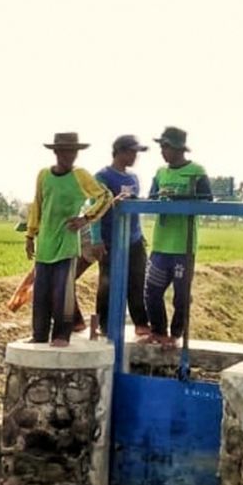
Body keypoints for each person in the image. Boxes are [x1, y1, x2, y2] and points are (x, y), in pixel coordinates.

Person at [24, 132, 112, 347]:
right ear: (56, 152)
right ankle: (39, 334)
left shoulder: (80, 176)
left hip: (67, 242)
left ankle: (62, 335)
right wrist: (30, 234)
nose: (69, 156)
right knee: (41, 293)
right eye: (64, 151)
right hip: (45, 242)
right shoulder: (44, 175)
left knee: (62, 292)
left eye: (72, 152)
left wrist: (86, 218)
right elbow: (38, 205)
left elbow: (105, 196)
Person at [143, 126, 213, 347]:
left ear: (178, 148)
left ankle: (176, 334)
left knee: (181, 296)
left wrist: (180, 200)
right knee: (152, 292)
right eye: (161, 147)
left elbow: (207, 201)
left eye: (166, 147)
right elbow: (151, 199)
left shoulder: (197, 171)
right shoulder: (160, 173)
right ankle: (158, 331)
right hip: (161, 244)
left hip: (183, 246)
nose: (163, 151)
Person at [94, 134, 151, 337]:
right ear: (120, 151)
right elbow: (95, 209)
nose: (135, 156)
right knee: (107, 283)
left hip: (134, 239)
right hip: (111, 239)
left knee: (137, 280)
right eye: (133, 152)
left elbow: (136, 208)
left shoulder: (133, 178)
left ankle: (141, 323)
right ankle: (105, 324)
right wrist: (97, 239)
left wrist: (141, 233)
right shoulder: (102, 177)